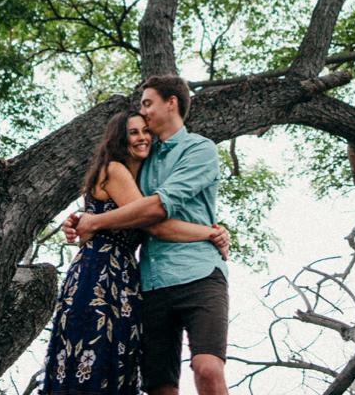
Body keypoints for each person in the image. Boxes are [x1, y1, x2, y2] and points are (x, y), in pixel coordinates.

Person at [43, 110, 230, 395]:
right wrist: (210, 233)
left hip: (124, 280)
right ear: (120, 137)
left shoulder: (139, 178)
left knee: (115, 364)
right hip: (101, 277)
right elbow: (155, 224)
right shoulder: (115, 170)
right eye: (134, 132)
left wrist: (85, 220)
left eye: (146, 131)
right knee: (93, 360)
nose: (143, 137)